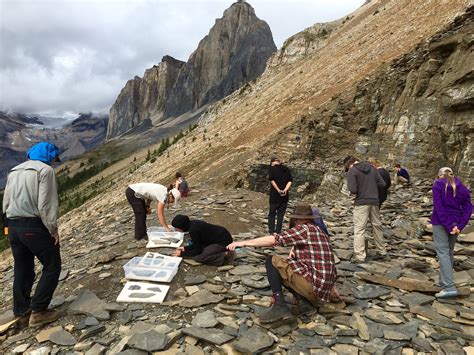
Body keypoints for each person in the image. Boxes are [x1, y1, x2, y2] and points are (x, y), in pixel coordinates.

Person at [227, 204, 338, 323]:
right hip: (323, 290)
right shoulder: (320, 231)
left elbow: (274, 240)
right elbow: (326, 261)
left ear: (298, 219)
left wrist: (244, 243)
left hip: (314, 289)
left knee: (272, 261)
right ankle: (304, 302)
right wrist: (331, 287)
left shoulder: (304, 229)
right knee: (290, 263)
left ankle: (280, 305)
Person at [2, 142, 62, 327]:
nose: (53, 162)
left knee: (22, 268)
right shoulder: (45, 171)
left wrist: (6, 228)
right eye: (53, 158)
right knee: (52, 266)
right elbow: (46, 204)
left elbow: (5, 201)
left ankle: (21, 312)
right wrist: (52, 230)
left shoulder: (14, 171)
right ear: (48, 156)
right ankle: (39, 311)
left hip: (13, 226)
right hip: (33, 225)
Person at [431, 167, 472, 298]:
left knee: (443, 252)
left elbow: (439, 207)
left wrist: (449, 225)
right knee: (448, 252)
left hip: (441, 222)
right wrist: (460, 225)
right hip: (456, 223)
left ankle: (449, 287)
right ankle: (444, 282)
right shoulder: (463, 187)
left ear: (439, 176)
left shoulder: (438, 185)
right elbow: (468, 208)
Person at [344, 156, 388, 263]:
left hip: (361, 202)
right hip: (374, 201)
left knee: (359, 229)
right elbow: (383, 184)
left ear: (349, 164)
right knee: (377, 226)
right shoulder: (372, 168)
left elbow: (353, 190)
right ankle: (382, 251)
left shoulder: (353, 171)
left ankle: (360, 256)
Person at [268, 157, 293, 234]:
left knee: (272, 213)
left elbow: (272, 180)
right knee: (280, 215)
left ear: (272, 163)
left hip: (274, 195)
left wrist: (278, 190)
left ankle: (271, 231)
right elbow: (290, 181)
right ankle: (278, 231)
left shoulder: (271, 169)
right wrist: (285, 190)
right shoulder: (286, 169)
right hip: (284, 196)